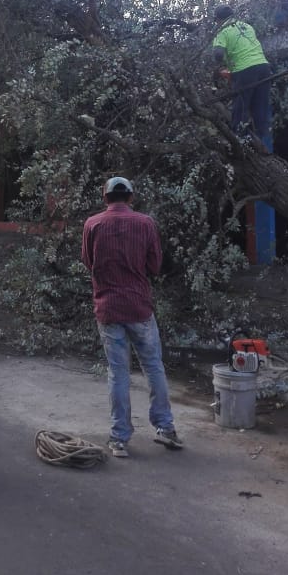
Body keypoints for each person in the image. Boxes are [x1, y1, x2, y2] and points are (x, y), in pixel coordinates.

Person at [81, 176, 183, 458]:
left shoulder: (93, 224)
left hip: (109, 308)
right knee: (153, 367)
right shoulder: (146, 224)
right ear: (131, 197)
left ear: (105, 198)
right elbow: (155, 266)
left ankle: (119, 439)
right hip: (140, 308)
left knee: (118, 372)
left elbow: (89, 263)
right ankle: (166, 429)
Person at [212, 5, 271, 140]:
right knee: (260, 107)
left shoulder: (222, 31)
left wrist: (222, 65)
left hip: (244, 70)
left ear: (218, 19)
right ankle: (261, 141)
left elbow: (218, 54)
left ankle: (239, 142)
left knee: (240, 108)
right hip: (264, 67)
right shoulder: (247, 26)